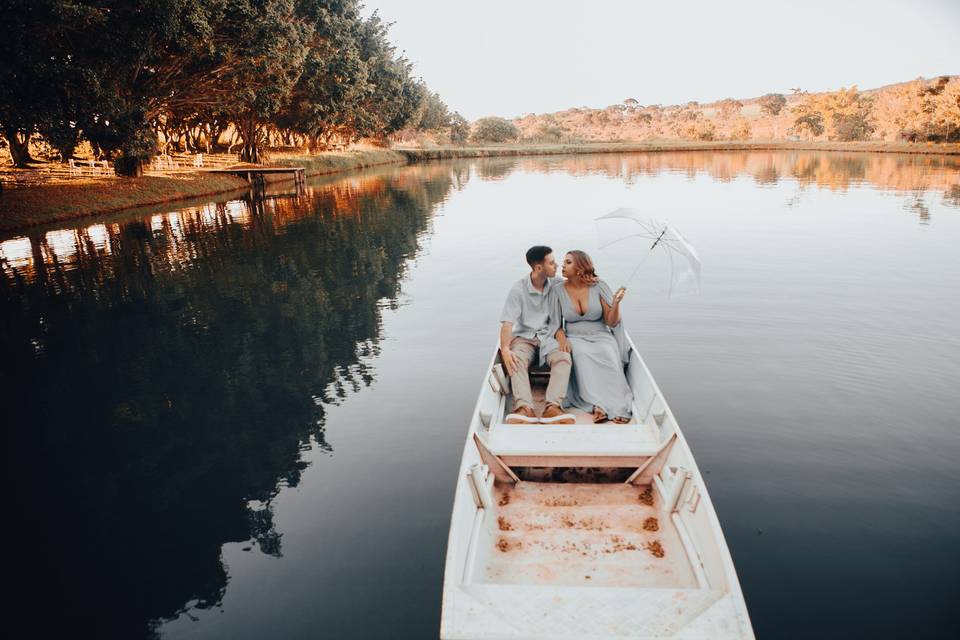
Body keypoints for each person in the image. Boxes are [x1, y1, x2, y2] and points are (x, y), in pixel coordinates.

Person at [551, 250, 634, 423]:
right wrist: (562, 339)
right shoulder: (557, 290)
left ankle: (617, 406)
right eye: (564, 262)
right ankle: (596, 405)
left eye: (568, 263)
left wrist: (616, 303)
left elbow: (611, 322)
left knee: (608, 353)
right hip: (574, 336)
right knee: (580, 355)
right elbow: (555, 324)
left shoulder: (599, 286)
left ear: (580, 267)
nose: (563, 266)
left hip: (601, 334)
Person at [499, 246, 576, 424]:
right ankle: (525, 408)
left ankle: (552, 408)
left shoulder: (557, 284)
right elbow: (507, 323)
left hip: (549, 337)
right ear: (538, 268)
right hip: (524, 338)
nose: (556, 265)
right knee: (515, 359)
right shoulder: (518, 290)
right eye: (551, 263)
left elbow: (579, 281)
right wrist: (504, 349)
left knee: (564, 358)